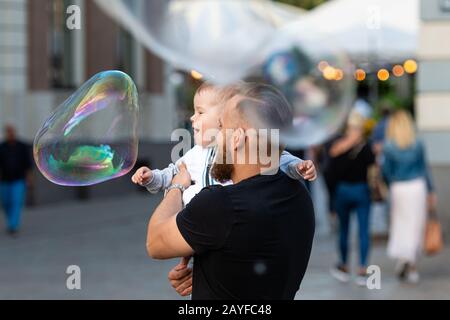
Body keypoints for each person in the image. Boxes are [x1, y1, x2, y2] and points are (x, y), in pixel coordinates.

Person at [146, 82, 315, 300]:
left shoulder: (221, 204)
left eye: (222, 127)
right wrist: (205, 273)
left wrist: (178, 185)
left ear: (237, 138)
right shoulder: (298, 196)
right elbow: (247, 260)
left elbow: (154, 242)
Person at [131, 82, 317, 206]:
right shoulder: (196, 153)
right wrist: (151, 178)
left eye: (200, 112)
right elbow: (172, 174)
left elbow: (278, 158)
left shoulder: (244, 150)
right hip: (201, 225)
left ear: (223, 116)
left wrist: (298, 167)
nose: (192, 117)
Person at [382, 110, 436, 284]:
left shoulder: (389, 146)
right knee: (416, 225)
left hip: (399, 187)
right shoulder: (418, 144)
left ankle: (402, 258)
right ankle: (412, 265)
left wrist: (391, 183)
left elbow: (386, 171)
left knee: (400, 224)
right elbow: (425, 169)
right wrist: (431, 191)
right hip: (417, 187)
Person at [328, 112, 375, 286]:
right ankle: (363, 269)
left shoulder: (338, 146)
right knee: (363, 231)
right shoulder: (367, 146)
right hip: (362, 190)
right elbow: (373, 169)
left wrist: (330, 202)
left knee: (344, 230)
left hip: (343, 190)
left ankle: (344, 266)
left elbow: (331, 173)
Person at [0, 125, 33, 235]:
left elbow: (28, 164)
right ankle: (11, 222)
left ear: (14, 132)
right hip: (4, 180)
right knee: (6, 203)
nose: (10, 134)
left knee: (16, 202)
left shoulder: (22, 146)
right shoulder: (2, 146)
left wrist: (29, 178)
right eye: (8, 132)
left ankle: (13, 225)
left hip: (19, 180)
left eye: (11, 131)